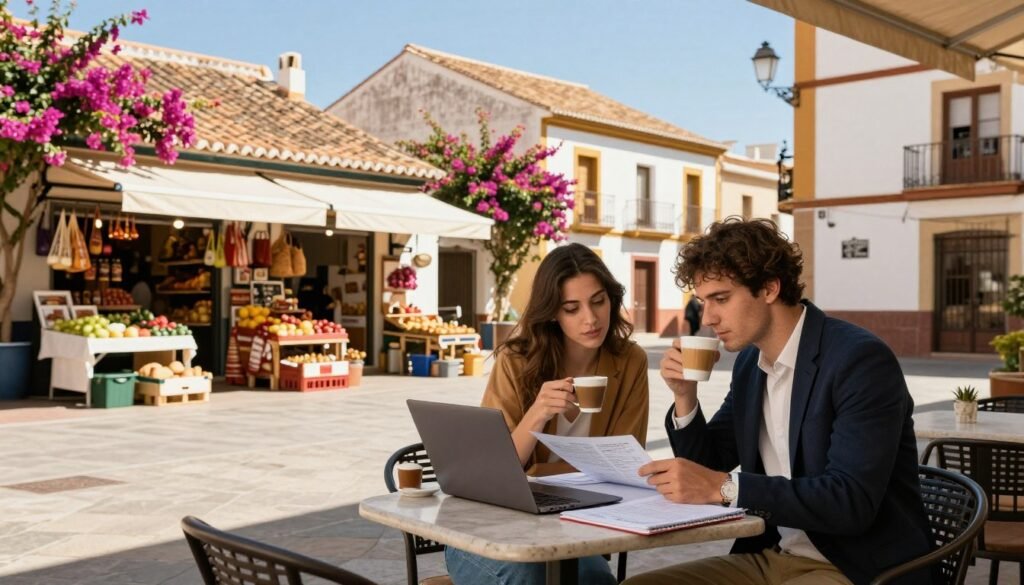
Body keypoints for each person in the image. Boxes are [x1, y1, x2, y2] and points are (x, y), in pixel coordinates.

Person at [623, 218, 931, 585]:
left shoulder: (859, 361)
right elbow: (707, 466)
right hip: (774, 556)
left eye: (721, 299)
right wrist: (685, 396)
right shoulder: (752, 365)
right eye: (703, 302)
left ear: (769, 287)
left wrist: (724, 487)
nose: (708, 318)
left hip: (857, 567)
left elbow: (850, 502)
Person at [445, 243, 649, 585]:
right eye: (572, 308)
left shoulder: (629, 362)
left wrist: (538, 472)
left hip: (574, 530)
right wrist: (537, 413)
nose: (591, 318)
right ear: (553, 312)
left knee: (592, 580)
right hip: (489, 532)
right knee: (528, 576)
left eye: (599, 301)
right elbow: (493, 474)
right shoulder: (516, 361)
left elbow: (624, 466)